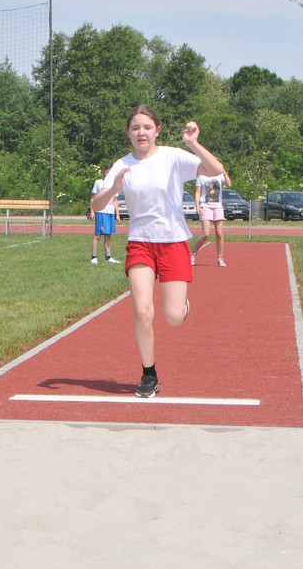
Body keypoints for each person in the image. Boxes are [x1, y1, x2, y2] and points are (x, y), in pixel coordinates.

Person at [90, 105, 224, 398]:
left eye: (147, 127)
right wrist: (113, 187)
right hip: (140, 242)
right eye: (136, 127)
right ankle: (149, 373)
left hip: (173, 241)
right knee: (142, 308)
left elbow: (215, 170)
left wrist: (193, 143)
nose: (142, 132)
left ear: (157, 131)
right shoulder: (122, 164)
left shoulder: (173, 157)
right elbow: (96, 206)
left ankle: (182, 307)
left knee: (173, 316)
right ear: (128, 132)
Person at [190, 167, 231, 266]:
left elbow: (229, 184)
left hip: (218, 207)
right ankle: (193, 253)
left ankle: (220, 258)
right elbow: (198, 192)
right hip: (205, 206)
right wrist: (197, 205)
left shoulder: (220, 175)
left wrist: (224, 171)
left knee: (219, 234)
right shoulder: (201, 176)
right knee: (205, 234)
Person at [88, 164, 121, 264]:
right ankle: (93, 257)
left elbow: (115, 200)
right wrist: (92, 210)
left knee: (108, 236)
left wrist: (117, 214)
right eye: (107, 172)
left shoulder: (115, 185)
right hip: (101, 212)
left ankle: (108, 257)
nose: (108, 174)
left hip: (110, 213)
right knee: (98, 235)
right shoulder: (99, 182)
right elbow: (93, 198)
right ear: (104, 172)